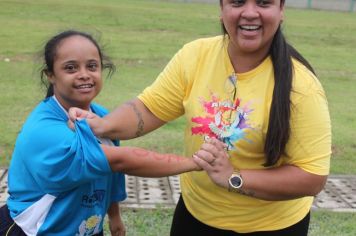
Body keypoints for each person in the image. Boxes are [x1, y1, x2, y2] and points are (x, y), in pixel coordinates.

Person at [69, 0, 331, 235]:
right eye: (237, 2)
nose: (249, 13)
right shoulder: (195, 56)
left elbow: (311, 177)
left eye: (264, 3)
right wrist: (103, 125)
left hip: (273, 227)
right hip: (196, 215)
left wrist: (233, 177)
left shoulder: (302, 86)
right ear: (221, 8)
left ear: (281, 10)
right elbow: (149, 108)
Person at [0, 30, 201, 236]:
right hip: (34, 230)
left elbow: (111, 175)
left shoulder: (102, 118)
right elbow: (120, 161)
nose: (84, 74)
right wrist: (194, 163)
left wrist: (114, 218)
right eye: (71, 68)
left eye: (92, 66)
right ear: (50, 75)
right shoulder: (44, 129)